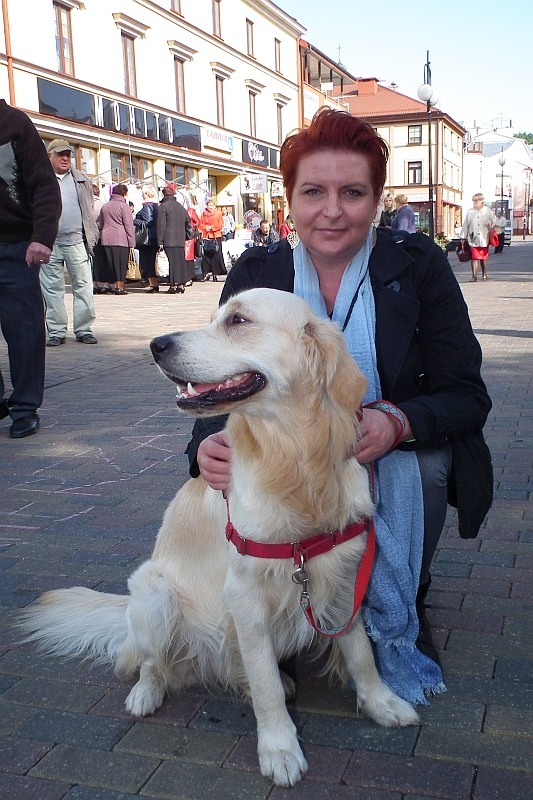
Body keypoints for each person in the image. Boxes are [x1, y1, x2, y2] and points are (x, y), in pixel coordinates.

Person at [185, 108, 493, 705]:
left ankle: (402, 595)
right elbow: (223, 372)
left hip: (381, 453)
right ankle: (289, 599)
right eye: (313, 192)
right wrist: (205, 447)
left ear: (376, 201)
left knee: (427, 463)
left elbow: (466, 393)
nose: (331, 210)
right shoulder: (259, 269)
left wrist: (398, 419)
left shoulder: (419, 265)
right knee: (248, 468)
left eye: (352, 192)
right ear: (290, 199)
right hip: (285, 455)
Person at [0, 100, 61, 438]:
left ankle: (24, 408)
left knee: (24, 334)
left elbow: (44, 185)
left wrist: (42, 237)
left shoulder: (14, 123)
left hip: (16, 248)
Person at [40, 139, 99, 345]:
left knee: (83, 287)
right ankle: (56, 332)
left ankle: (84, 329)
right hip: (49, 243)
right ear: (50, 156)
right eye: (60, 154)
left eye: (68, 154)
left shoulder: (81, 179)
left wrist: (91, 235)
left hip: (77, 242)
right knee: (52, 290)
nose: (65, 158)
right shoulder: (41, 178)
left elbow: (89, 208)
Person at [97, 184, 135, 295]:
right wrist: (132, 242)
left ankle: (112, 285)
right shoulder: (124, 206)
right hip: (121, 238)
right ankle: (120, 287)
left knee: (111, 263)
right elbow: (128, 225)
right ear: (124, 193)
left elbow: (101, 223)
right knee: (121, 264)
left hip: (106, 238)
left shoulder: (105, 206)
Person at [157, 186, 190, 294]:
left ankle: (173, 285)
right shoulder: (180, 207)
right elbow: (187, 221)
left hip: (169, 239)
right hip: (180, 238)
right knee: (180, 261)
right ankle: (181, 284)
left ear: (164, 194)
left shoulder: (163, 206)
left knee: (171, 262)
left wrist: (160, 241)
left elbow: (161, 225)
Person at [460, 193, 497, 281]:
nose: (475, 202)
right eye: (474, 200)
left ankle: (484, 273)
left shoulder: (487, 210)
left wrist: (489, 223)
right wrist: (463, 237)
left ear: (482, 201)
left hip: (484, 238)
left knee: (483, 258)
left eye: (477, 200)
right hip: (473, 238)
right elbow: (466, 224)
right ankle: (474, 276)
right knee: (474, 257)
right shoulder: (470, 211)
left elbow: (494, 220)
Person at [134, 185, 159, 293]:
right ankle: (153, 283)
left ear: (147, 194)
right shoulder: (155, 205)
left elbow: (148, 221)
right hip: (154, 236)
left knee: (147, 261)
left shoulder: (147, 206)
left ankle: (153, 283)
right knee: (150, 260)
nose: (142, 195)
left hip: (148, 237)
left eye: (143, 193)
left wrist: (135, 221)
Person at [91, 184, 112, 295]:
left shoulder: (87, 204)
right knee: (104, 260)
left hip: (90, 235)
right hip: (102, 235)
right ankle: (106, 284)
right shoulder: (104, 204)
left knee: (91, 261)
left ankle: (94, 284)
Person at [199, 199, 226, 281]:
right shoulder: (203, 214)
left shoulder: (218, 214)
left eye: (212, 205)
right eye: (209, 205)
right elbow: (200, 224)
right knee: (205, 256)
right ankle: (205, 273)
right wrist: (205, 227)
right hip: (206, 236)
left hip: (215, 236)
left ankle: (215, 274)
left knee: (215, 256)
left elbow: (220, 224)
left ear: (215, 206)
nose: (210, 207)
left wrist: (212, 227)